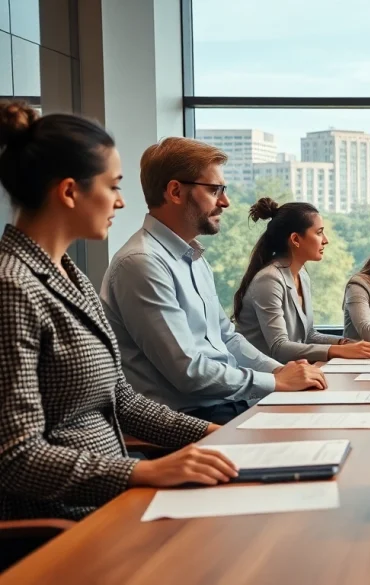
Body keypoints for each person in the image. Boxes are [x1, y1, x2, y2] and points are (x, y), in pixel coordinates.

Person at [0, 103, 239, 522]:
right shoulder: (12, 288)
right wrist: (143, 470)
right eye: (113, 186)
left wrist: (219, 435)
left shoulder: (69, 275)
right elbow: (18, 457)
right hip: (68, 522)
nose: (122, 201)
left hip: (117, 499)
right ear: (70, 191)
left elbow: (122, 401)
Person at [101, 138, 325, 426]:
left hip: (227, 405)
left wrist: (283, 371)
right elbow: (189, 372)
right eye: (215, 189)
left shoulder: (193, 257)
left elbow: (227, 338)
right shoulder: (142, 263)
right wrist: (273, 381)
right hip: (191, 421)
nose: (225, 201)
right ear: (175, 191)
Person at [234, 198, 370, 363]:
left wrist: (344, 343)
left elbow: (309, 335)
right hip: (263, 379)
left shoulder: (302, 274)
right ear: (296, 239)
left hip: (291, 372)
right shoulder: (269, 279)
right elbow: (279, 348)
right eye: (319, 233)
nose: (325, 240)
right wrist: (338, 350)